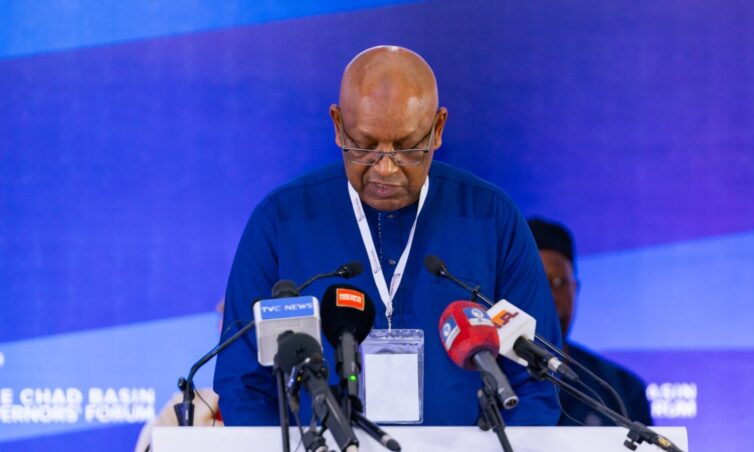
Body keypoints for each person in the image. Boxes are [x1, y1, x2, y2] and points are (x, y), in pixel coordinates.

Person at [214, 46, 562, 426]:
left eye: (406, 147)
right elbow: (243, 387)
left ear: (438, 128)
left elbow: (537, 385)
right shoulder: (279, 221)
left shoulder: (492, 219)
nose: (385, 168)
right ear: (336, 124)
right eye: (364, 146)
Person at [527, 217, 653, 426]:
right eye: (537, 283)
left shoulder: (621, 391)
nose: (549, 297)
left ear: (575, 289)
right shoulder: (488, 382)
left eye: (558, 282)